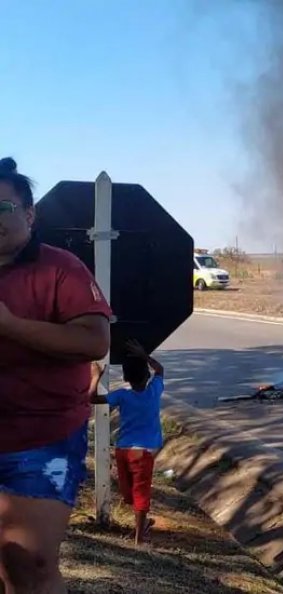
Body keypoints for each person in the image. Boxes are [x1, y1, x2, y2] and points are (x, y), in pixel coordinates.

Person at [0, 157, 112, 593]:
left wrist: (10, 326)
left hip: (41, 437)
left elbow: (94, 341)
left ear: (29, 215)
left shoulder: (60, 268)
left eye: (2, 209)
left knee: (30, 561)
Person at [91, 339, 164, 545]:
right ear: (147, 375)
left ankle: (139, 537)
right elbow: (160, 369)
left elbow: (92, 398)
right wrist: (144, 355)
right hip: (128, 450)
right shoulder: (153, 390)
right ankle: (143, 522)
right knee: (130, 495)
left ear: (125, 377)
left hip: (135, 451)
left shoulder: (126, 395)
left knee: (137, 493)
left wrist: (95, 378)